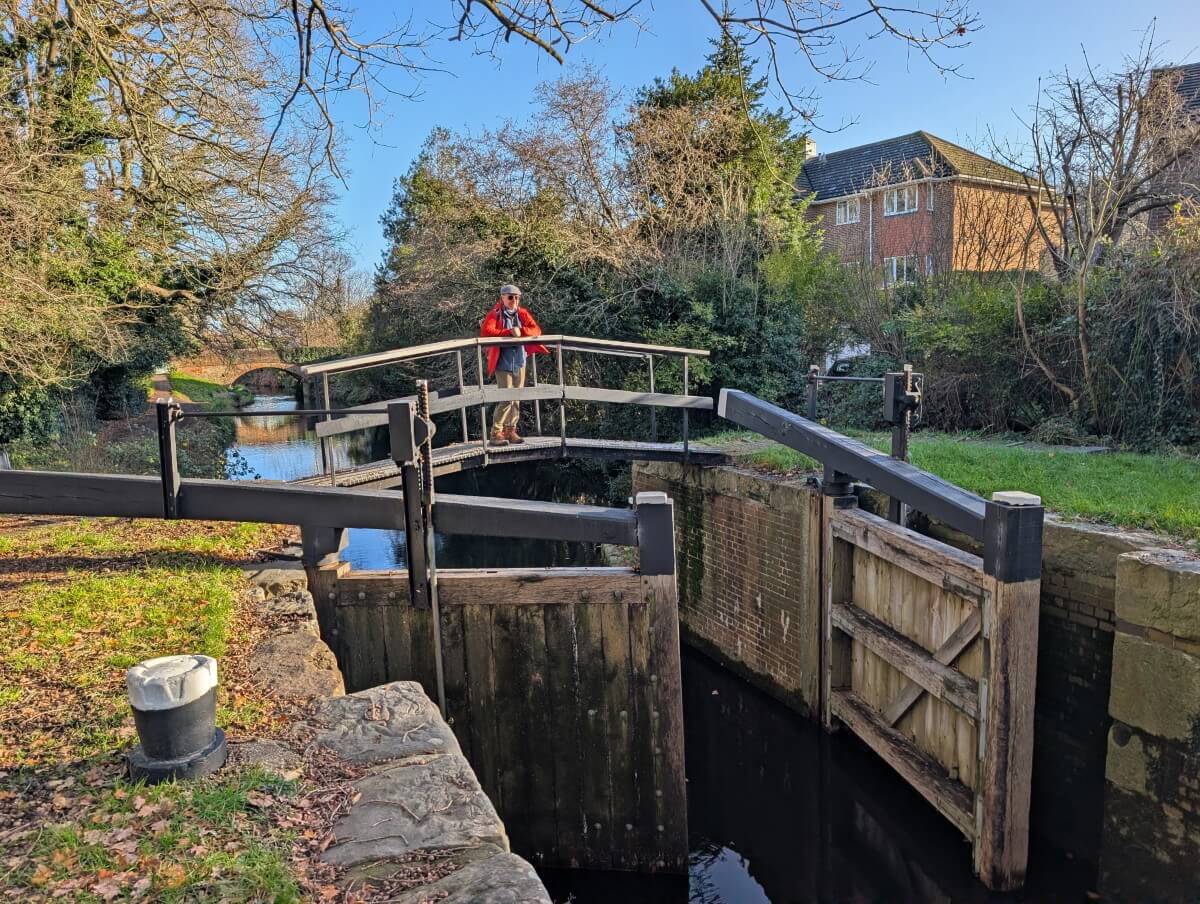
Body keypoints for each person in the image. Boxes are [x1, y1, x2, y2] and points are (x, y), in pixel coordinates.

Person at [479, 284, 547, 446]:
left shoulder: (522, 313)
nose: (514, 300)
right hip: (502, 361)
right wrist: (508, 333)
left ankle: (511, 430)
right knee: (505, 398)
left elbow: (536, 330)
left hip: (519, 360)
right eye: (510, 297)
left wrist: (521, 331)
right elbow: (487, 332)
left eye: (516, 297)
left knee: (516, 397)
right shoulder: (495, 314)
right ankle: (496, 433)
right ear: (502, 298)